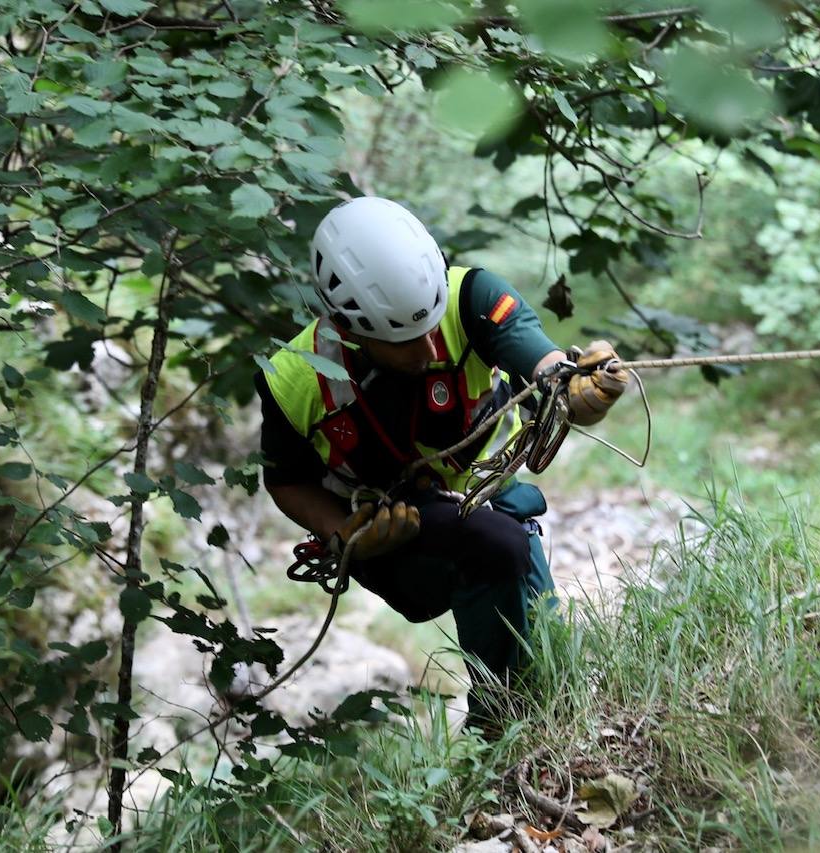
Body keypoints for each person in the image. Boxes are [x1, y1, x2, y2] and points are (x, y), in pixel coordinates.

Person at [253, 196, 629, 732]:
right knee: (494, 544)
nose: (431, 348)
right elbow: (287, 480)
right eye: (406, 342)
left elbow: (545, 364)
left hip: (486, 495)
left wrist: (579, 391)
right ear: (349, 330)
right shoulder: (294, 379)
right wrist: (344, 535)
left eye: (431, 325)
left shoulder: (473, 297)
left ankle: (542, 725)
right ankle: (500, 724)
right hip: (391, 533)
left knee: (538, 620)